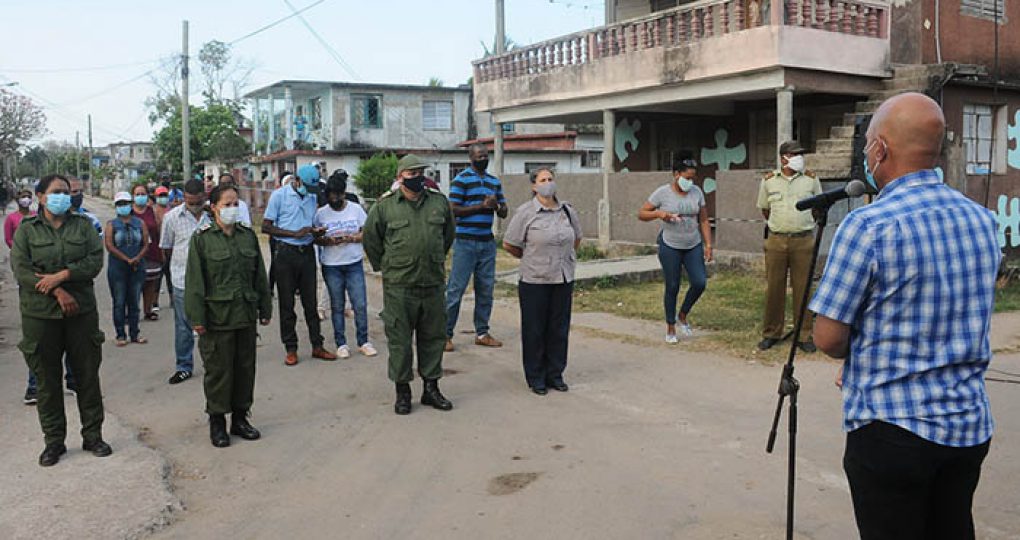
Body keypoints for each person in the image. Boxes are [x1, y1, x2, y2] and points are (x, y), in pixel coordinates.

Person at [810, 93, 1002, 540]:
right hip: (968, 427)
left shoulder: (868, 226)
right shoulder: (982, 221)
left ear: (879, 149)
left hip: (891, 431)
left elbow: (828, 337)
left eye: (867, 149)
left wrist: (861, 353)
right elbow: (957, 311)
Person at [12, 174, 111, 466]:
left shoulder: (83, 226)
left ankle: (93, 435)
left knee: (87, 376)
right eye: (56, 192)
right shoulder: (27, 230)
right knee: (47, 381)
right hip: (40, 315)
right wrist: (56, 290)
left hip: (81, 313)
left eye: (66, 193)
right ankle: (54, 442)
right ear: (41, 197)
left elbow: (94, 261)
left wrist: (63, 275)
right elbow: (22, 269)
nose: (63, 197)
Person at [363, 154, 455, 415]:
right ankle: (402, 392)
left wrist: (431, 257)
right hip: (400, 287)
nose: (417, 178)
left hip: (433, 284)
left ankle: (431, 389)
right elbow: (371, 239)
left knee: (433, 338)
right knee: (400, 342)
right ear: (400, 177)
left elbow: (448, 235)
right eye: (411, 174)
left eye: (420, 173)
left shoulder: (439, 203)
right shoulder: (385, 207)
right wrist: (389, 267)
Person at [185, 184, 272, 448]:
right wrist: (197, 318)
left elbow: (259, 275)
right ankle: (217, 421)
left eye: (236, 204)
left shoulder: (247, 236)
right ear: (214, 208)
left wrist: (265, 308)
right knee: (219, 371)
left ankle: (241, 419)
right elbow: (195, 282)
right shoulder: (202, 238)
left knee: (245, 369)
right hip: (217, 317)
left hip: (244, 314)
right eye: (227, 204)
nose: (233, 209)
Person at [502, 168, 582, 394]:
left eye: (550, 179)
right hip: (534, 280)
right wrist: (531, 259)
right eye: (542, 180)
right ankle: (536, 377)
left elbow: (576, 238)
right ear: (534, 186)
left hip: (562, 277)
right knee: (535, 330)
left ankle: (555, 374)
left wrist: (564, 259)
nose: (548, 183)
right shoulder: (526, 212)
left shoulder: (566, 210)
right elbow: (510, 244)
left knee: (558, 329)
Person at [262, 164, 336, 365]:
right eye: (307, 187)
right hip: (286, 252)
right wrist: (294, 233)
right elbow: (266, 227)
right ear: (297, 180)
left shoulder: (311, 197)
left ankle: (317, 345)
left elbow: (310, 223)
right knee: (287, 304)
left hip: (307, 253)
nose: (311, 192)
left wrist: (315, 231)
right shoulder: (279, 196)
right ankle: (291, 348)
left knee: (310, 303)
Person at [756, 141, 822, 352]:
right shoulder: (768, 181)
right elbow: (765, 210)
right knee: (774, 287)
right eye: (795, 154)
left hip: (803, 240)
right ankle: (771, 332)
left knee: (804, 288)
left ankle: (804, 334)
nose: (799, 158)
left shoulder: (811, 180)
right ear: (784, 157)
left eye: (800, 154)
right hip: (776, 240)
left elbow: (818, 207)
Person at [638, 159, 713, 343]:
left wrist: (708, 244)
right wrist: (659, 214)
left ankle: (683, 314)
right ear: (676, 175)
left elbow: (703, 219)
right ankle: (670, 326)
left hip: (692, 244)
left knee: (699, 282)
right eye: (687, 177)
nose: (691, 182)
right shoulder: (662, 193)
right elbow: (642, 213)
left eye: (693, 178)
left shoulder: (697, 192)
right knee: (672, 285)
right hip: (670, 245)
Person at [444, 143, 507, 351]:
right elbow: (453, 210)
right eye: (479, 156)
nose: (483, 158)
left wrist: (496, 206)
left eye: (485, 155)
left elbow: (504, 211)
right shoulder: (461, 180)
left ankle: (482, 332)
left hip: (487, 242)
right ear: (470, 158)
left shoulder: (493, 182)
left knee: (486, 289)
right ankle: (445, 334)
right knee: (456, 289)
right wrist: (481, 206)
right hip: (465, 242)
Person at [313, 173, 376, 359]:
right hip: (331, 265)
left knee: (360, 304)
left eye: (338, 195)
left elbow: (367, 233)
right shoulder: (321, 213)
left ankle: (363, 341)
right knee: (337, 305)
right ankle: (341, 343)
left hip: (353, 263)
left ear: (343, 193)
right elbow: (315, 238)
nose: (335, 199)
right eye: (331, 196)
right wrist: (327, 240)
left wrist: (352, 238)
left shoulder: (356, 210)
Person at [160, 179, 209, 385]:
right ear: (183, 199)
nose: (194, 206)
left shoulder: (214, 217)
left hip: (210, 280)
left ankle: (213, 364)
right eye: (190, 202)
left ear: (204, 198)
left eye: (198, 202)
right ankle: (183, 366)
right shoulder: (171, 218)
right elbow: (167, 248)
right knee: (183, 327)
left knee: (211, 325)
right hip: (182, 280)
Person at [105, 192, 150, 346]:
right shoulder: (112, 225)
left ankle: (135, 333)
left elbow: (146, 243)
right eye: (120, 204)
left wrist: (137, 258)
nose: (123, 206)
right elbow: (110, 246)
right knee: (119, 301)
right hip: (118, 268)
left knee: (134, 301)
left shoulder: (140, 223)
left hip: (137, 267)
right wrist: (126, 259)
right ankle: (120, 334)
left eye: (125, 203)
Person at [130, 183, 163, 320]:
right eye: (137, 194)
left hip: (152, 252)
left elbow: (158, 229)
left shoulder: (152, 211)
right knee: (134, 284)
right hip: (134, 254)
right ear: (133, 197)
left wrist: (161, 250)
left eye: (143, 194)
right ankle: (132, 312)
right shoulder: (128, 212)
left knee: (150, 283)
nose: (140, 197)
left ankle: (148, 310)